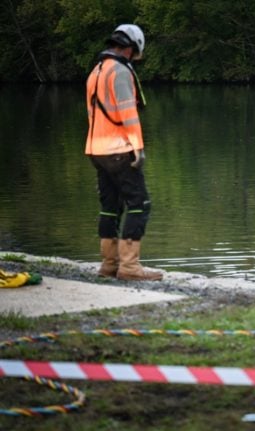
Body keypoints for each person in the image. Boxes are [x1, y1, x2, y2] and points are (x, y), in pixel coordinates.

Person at [85, 24, 162, 281]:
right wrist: (137, 148)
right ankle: (129, 268)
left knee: (110, 207)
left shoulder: (95, 71)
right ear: (129, 48)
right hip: (119, 149)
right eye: (134, 53)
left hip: (96, 150)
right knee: (140, 204)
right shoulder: (119, 72)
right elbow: (128, 112)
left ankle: (109, 265)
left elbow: (92, 114)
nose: (133, 58)